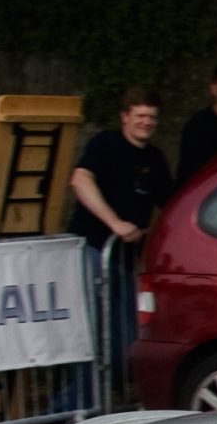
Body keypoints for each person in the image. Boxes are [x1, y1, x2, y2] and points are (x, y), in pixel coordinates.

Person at [69, 88, 174, 402]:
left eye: (152, 117)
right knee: (97, 337)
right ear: (125, 116)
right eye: (140, 116)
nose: (146, 122)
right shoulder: (105, 145)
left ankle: (83, 404)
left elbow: (171, 204)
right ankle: (74, 407)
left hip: (126, 259)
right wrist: (115, 223)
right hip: (96, 252)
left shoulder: (154, 159)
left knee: (127, 338)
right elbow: (80, 180)